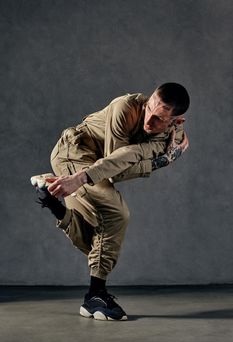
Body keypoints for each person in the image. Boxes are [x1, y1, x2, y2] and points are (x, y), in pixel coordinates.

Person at [31, 82, 190, 321]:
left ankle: (52, 200)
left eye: (159, 119)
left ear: (176, 122)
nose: (149, 121)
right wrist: (162, 161)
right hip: (73, 155)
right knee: (117, 213)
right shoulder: (124, 108)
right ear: (148, 100)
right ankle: (96, 295)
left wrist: (152, 156)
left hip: (93, 167)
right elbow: (116, 169)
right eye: (148, 109)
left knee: (97, 238)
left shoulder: (169, 137)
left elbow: (129, 157)